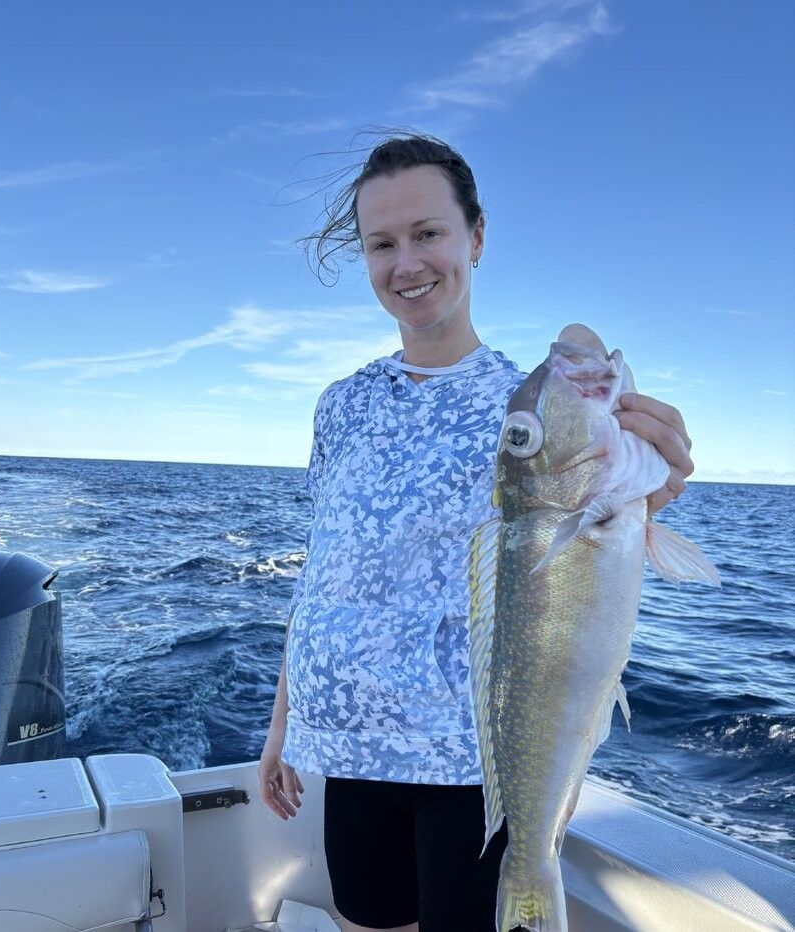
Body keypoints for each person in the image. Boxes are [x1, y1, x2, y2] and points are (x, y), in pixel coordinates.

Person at [257, 132, 694, 932]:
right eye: (382, 243)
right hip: (347, 748)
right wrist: (286, 726)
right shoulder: (341, 404)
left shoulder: (528, 407)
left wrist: (649, 493)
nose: (406, 263)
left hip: (473, 760)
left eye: (428, 233)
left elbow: (569, 554)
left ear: (476, 238)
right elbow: (326, 570)